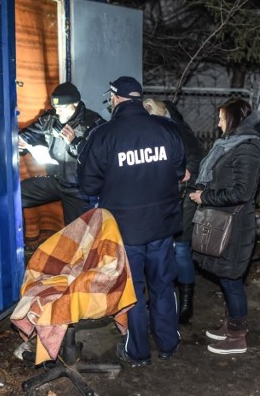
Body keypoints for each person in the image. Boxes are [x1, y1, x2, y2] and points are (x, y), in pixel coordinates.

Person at [78, 76, 186, 366]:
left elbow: (88, 185)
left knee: (133, 291)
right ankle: (168, 344)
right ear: (139, 99)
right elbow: (179, 171)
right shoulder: (166, 130)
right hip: (162, 227)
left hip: (126, 230)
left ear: (114, 99)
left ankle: (138, 353)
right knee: (163, 286)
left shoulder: (103, 135)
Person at [188, 97, 260, 355]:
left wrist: (205, 197)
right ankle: (231, 324)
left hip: (236, 224)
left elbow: (242, 192)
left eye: (222, 117)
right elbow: (222, 179)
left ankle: (237, 337)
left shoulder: (247, 149)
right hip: (226, 221)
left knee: (232, 279)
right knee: (226, 277)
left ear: (233, 119)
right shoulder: (230, 145)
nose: (218, 122)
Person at [142, 98, 205, 324]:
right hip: (163, 197)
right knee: (163, 249)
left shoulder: (177, 129)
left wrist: (188, 170)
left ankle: (186, 302)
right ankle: (164, 297)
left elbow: (198, 156)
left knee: (180, 248)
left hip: (184, 197)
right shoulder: (153, 131)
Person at [18, 82, 105, 225]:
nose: (58, 112)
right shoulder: (50, 119)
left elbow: (99, 159)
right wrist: (21, 143)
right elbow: (28, 135)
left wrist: (74, 142)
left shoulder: (93, 124)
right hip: (56, 180)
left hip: (78, 189)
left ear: (75, 104)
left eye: (61, 108)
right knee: (14, 196)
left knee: (76, 235)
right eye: (55, 107)